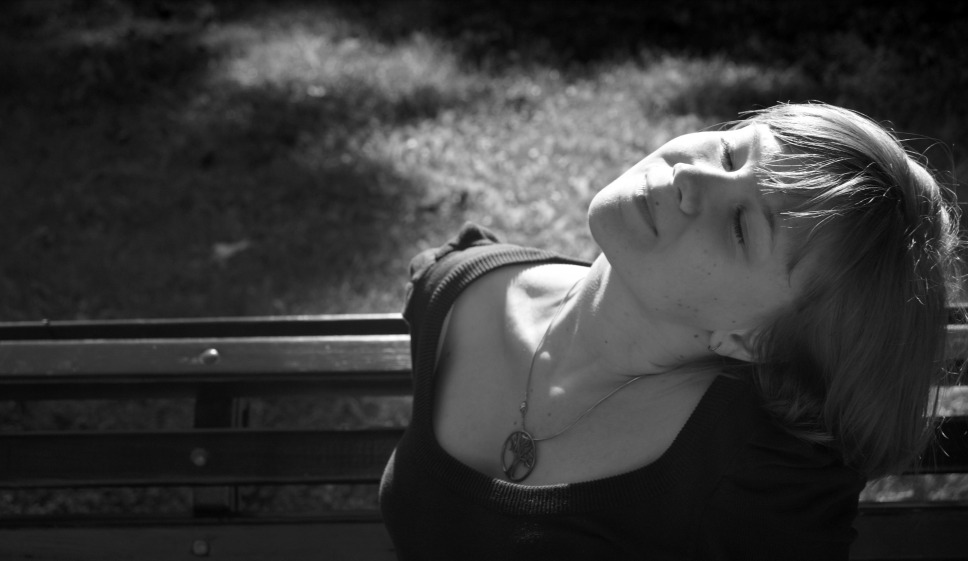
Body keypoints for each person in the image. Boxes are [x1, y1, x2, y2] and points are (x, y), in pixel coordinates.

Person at [378, 102, 962, 559]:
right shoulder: (458, 290)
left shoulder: (760, 487)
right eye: (731, 152)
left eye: (740, 227)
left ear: (750, 339)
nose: (690, 174)